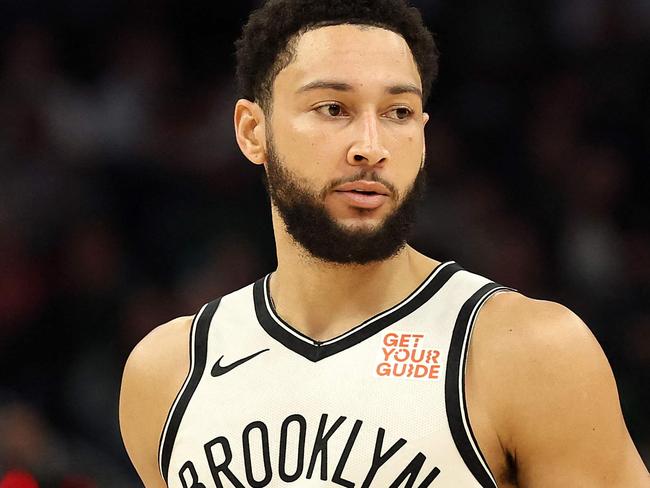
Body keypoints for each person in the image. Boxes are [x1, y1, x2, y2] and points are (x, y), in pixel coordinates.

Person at [119, 0, 649, 486]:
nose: (369, 147)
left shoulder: (529, 351)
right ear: (252, 131)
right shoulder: (167, 373)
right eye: (333, 108)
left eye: (397, 112)